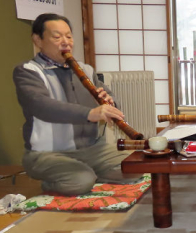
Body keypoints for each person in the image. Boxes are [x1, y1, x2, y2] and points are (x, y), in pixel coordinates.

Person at [13, 13, 140, 195]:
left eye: (69, 36)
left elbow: (111, 99)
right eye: (57, 37)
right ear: (38, 40)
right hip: (48, 153)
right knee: (80, 182)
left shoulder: (85, 70)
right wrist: (90, 114)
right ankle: (60, 181)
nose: (66, 42)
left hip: (93, 148)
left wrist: (110, 102)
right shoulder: (28, 71)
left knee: (136, 167)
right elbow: (41, 105)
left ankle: (91, 174)